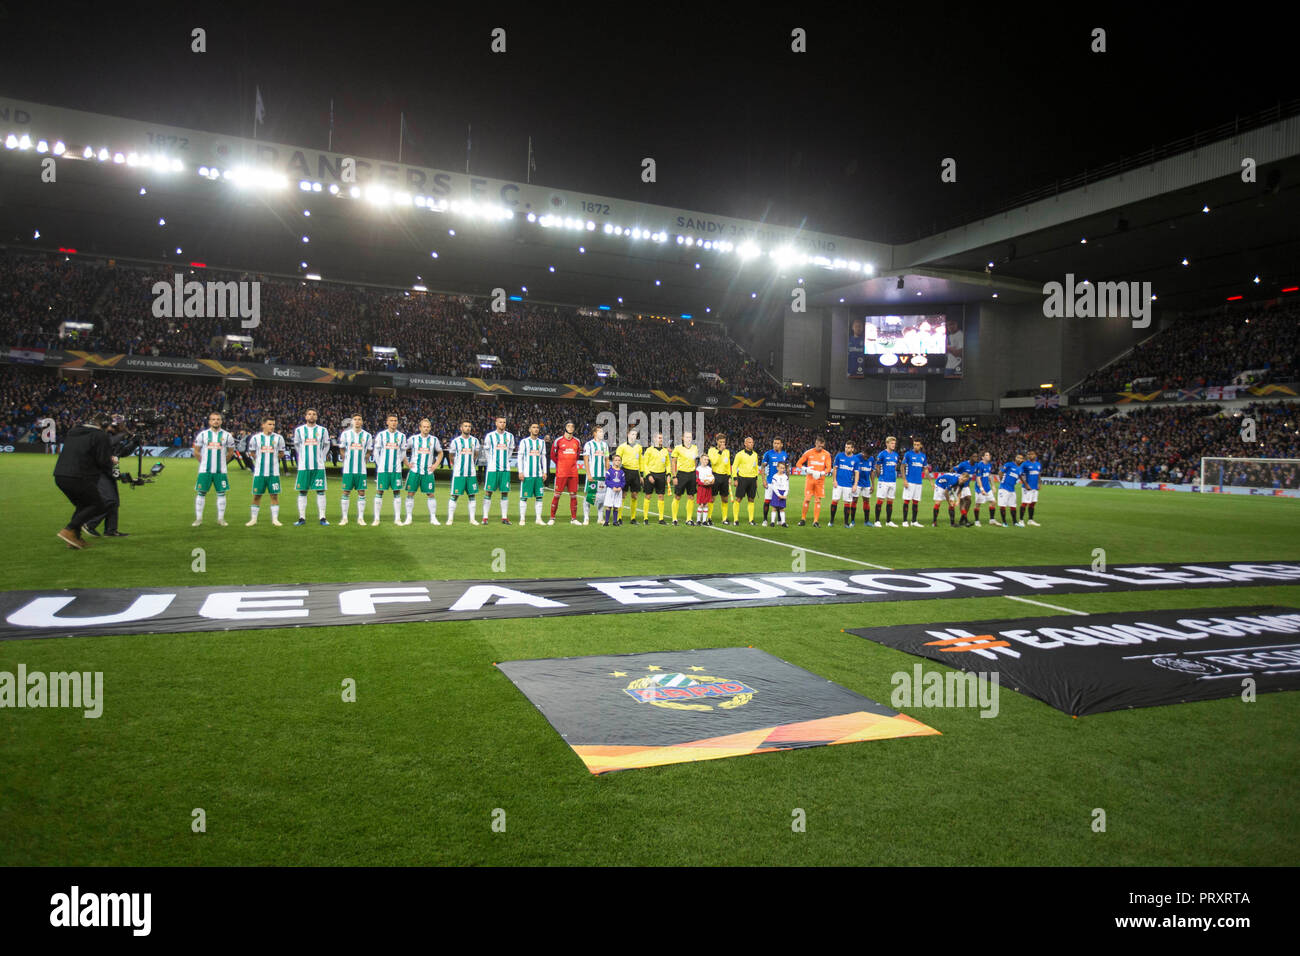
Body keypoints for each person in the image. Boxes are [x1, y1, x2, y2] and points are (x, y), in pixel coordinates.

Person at [52, 414, 115, 549]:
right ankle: (69, 530)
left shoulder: (74, 431)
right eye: (109, 426)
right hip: (80, 476)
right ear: (103, 424)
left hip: (61, 475)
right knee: (98, 505)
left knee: (83, 506)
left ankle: (75, 539)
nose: (110, 429)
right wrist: (112, 462)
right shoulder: (100, 436)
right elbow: (102, 460)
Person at [192, 412, 236, 527]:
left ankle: (221, 519)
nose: (216, 421)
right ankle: (199, 519)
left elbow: (231, 452)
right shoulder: (203, 435)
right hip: (205, 470)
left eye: (218, 419)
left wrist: (222, 463)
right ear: (209, 421)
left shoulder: (227, 436)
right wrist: (203, 462)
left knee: (221, 493)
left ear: (221, 421)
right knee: (201, 493)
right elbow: (196, 451)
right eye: (213, 419)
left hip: (220, 471)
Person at [292, 409, 330, 526]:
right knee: (303, 491)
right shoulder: (299, 430)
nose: (311, 416)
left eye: (314, 414)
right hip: (304, 466)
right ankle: (301, 517)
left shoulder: (322, 430)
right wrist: (302, 457)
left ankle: (322, 517)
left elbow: (327, 445)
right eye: (309, 414)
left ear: (317, 417)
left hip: (318, 466)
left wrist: (321, 457)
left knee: (320, 491)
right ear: (305, 416)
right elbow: (297, 445)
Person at [245, 416, 286, 526]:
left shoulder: (279, 438)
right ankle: (253, 519)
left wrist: (272, 460)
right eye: (269, 424)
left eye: (273, 424)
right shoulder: (256, 438)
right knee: (257, 495)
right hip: (259, 473)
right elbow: (252, 453)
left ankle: (275, 519)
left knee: (274, 496)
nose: (272, 426)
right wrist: (259, 460)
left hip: (274, 473)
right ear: (263, 425)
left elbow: (281, 453)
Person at [403, 418, 444, 525]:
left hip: (428, 472)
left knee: (430, 494)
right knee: (410, 493)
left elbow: (440, 453)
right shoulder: (413, 439)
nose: (426, 429)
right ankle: (409, 517)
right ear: (420, 428)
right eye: (424, 427)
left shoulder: (434, 440)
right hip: (415, 471)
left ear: (430, 428)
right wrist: (407, 464)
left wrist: (435, 465)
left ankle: (433, 518)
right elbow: (403, 450)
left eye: (428, 427)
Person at [370, 414, 406, 525]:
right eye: (391, 420)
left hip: (396, 470)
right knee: (379, 492)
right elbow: (376, 451)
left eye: (395, 420)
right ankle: (376, 519)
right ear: (387, 422)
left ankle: (397, 519)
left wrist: (398, 462)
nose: (394, 422)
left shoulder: (401, 436)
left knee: (397, 492)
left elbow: (403, 451)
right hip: (383, 469)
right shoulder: (381, 435)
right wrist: (380, 463)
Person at [337, 413, 373, 526]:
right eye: (355, 419)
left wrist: (365, 459)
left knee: (361, 492)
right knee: (346, 492)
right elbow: (342, 449)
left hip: (361, 470)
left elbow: (369, 450)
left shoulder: (367, 436)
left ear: (362, 422)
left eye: (359, 419)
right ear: (352, 422)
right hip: (348, 469)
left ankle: (361, 518)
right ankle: (344, 518)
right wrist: (345, 459)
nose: (357, 421)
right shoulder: (345, 434)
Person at [446, 420, 482, 525]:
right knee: (454, 495)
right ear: (461, 428)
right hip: (459, 473)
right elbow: (451, 456)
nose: (468, 428)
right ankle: (450, 519)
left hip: (471, 473)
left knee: (472, 496)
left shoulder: (475, 441)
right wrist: (455, 464)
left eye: (469, 426)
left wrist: (471, 463)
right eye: (465, 426)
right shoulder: (455, 441)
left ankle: (472, 519)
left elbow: (475, 454)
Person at [482, 416, 516, 525]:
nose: (502, 424)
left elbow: (510, 450)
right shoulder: (490, 436)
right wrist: (491, 461)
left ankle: (504, 518)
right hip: (492, 469)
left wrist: (505, 460)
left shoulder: (510, 436)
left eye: (504, 422)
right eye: (500, 422)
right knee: (489, 492)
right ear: (496, 423)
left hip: (505, 469)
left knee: (505, 492)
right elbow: (486, 451)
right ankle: (485, 518)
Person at [548, 420, 582, 525]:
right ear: (565, 427)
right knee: (557, 495)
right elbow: (553, 456)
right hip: (561, 473)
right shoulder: (558, 441)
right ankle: (552, 518)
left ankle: (574, 519)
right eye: (568, 426)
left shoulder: (577, 441)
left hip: (573, 473)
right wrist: (561, 464)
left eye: (572, 426)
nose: (571, 428)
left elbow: (577, 455)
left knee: (573, 496)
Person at [794, 436, 832, 527]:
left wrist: (822, 473)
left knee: (818, 500)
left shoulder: (826, 454)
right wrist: (806, 469)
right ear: (816, 443)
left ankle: (815, 521)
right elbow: (798, 463)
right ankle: (803, 519)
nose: (821, 448)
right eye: (819, 446)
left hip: (820, 480)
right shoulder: (809, 452)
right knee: (807, 499)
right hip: (810, 480)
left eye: (822, 446)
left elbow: (829, 468)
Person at [514, 423, 547, 525]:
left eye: (537, 428)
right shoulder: (524, 442)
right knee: (524, 497)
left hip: (538, 475)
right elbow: (520, 457)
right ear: (529, 429)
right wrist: (520, 471)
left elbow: (543, 458)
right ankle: (522, 519)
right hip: (527, 475)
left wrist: (545, 471)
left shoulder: (541, 442)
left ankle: (538, 519)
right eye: (533, 427)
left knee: (539, 497)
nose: (536, 429)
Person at [829, 441, 863, 528]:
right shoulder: (839, 456)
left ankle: (846, 523)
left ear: (852, 449)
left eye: (848, 447)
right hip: (838, 483)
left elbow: (856, 473)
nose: (846, 449)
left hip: (848, 485)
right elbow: (835, 469)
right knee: (835, 501)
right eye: (846, 447)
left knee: (847, 503)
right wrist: (834, 480)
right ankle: (831, 521)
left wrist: (855, 484)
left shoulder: (856, 459)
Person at [581, 426, 609, 526]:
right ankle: (586, 518)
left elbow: (606, 459)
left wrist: (607, 473)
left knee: (602, 497)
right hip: (592, 475)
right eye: (600, 432)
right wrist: (588, 474)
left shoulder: (605, 445)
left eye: (602, 432)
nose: (602, 433)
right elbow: (586, 460)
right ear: (594, 433)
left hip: (602, 476)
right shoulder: (589, 444)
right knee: (589, 497)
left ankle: (600, 518)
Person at [670, 430, 699, 526]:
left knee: (691, 496)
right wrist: (674, 476)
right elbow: (673, 463)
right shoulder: (678, 448)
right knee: (677, 496)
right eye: (686, 437)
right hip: (681, 474)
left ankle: (689, 519)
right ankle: (674, 518)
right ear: (683, 438)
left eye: (690, 437)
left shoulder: (695, 448)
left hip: (691, 474)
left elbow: (695, 461)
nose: (688, 439)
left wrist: (695, 473)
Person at [640, 432, 670, 525]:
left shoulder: (665, 451)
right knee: (648, 496)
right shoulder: (649, 450)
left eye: (661, 438)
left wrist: (668, 474)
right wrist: (648, 475)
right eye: (659, 438)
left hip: (661, 475)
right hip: (651, 474)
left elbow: (668, 464)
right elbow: (645, 464)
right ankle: (645, 518)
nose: (660, 439)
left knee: (661, 496)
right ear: (654, 439)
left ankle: (661, 519)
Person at [615, 429, 643, 524]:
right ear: (628, 435)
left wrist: (641, 475)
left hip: (635, 473)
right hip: (625, 471)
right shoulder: (622, 447)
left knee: (634, 495)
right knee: (622, 495)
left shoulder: (639, 447)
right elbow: (617, 460)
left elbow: (640, 461)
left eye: (635, 434)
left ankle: (633, 518)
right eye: (632, 434)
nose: (633, 436)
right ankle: (619, 518)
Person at [731, 436, 760, 526]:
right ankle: (736, 519)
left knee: (751, 499)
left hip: (752, 480)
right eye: (750, 442)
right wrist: (735, 479)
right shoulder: (739, 454)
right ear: (745, 444)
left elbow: (756, 468)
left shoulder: (755, 454)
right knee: (738, 499)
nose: (752, 444)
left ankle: (751, 520)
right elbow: (734, 467)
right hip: (742, 479)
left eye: (752, 442)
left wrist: (756, 479)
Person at [761, 438, 788, 526]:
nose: (776, 445)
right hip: (770, 482)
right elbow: (763, 467)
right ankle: (765, 520)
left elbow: (787, 468)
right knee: (767, 501)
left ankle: (780, 521)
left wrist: (787, 479)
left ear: (781, 445)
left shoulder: (784, 454)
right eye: (774, 443)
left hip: (781, 483)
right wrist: (763, 480)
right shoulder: (768, 454)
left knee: (780, 501)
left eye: (778, 443)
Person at [873, 436, 900, 526]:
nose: (893, 445)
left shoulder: (896, 455)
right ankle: (877, 521)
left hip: (892, 481)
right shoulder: (882, 454)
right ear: (887, 444)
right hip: (883, 481)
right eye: (892, 443)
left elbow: (895, 466)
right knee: (880, 500)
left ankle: (888, 521)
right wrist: (880, 476)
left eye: (894, 443)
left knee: (890, 501)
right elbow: (877, 466)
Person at [994, 453, 1026, 527]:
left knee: (1013, 506)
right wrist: (1002, 481)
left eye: (1020, 458)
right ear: (1015, 458)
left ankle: (1015, 522)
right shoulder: (1009, 464)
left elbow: (1020, 477)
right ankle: (1004, 522)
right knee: (1003, 506)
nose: (1019, 459)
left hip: (1012, 489)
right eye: (1018, 457)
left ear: (1022, 460)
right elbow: (1000, 472)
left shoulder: (1020, 468)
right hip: (1004, 489)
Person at [901, 438, 927, 527]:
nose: (916, 446)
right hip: (910, 481)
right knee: (906, 501)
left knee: (916, 502)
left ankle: (914, 521)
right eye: (914, 444)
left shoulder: (923, 456)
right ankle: (904, 521)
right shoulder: (908, 454)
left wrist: (931, 481)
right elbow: (902, 467)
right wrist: (904, 480)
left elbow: (925, 468)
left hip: (918, 482)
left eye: (917, 445)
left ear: (921, 446)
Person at [707, 433, 731, 525]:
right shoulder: (711, 450)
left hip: (724, 477)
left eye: (724, 442)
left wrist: (729, 476)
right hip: (715, 475)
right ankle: (709, 517)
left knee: (725, 499)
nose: (722, 444)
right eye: (720, 442)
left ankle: (724, 518)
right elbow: (714, 462)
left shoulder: (727, 452)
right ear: (717, 441)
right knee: (712, 498)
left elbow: (728, 465)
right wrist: (720, 452)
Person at [1020, 450, 1042, 525]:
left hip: (1035, 487)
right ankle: (1021, 520)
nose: (1030, 456)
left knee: (1033, 503)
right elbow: (1021, 475)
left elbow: (1038, 474)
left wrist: (1039, 483)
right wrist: (1026, 484)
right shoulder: (1025, 464)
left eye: (1032, 454)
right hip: (1027, 487)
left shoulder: (1038, 464)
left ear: (1035, 455)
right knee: (1025, 503)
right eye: (1029, 454)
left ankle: (1030, 520)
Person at [603, 454, 626, 526]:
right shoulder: (609, 471)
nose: (617, 462)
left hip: (619, 491)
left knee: (616, 506)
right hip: (611, 490)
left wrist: (620, 487)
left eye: (619, 460)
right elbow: (607, 481)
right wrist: (613, 487)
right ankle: (606, 521)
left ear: (621, 462)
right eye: (616, 460)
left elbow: (623, 482)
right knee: (609, 506)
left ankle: (615, 521)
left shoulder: (622, 472)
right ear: (612, 461)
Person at [694, 455, 715, 526]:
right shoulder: (698, 469)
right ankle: (698, 520)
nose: (706, 461)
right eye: (705, 459)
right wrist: (703, 483)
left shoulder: (709, 469)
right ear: (701, 460)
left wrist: (712, 482)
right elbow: (697, 480)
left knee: (706, 504)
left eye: (707, 460)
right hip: (701, 488)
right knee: (701, 504)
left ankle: (704, 521)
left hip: (708, 488)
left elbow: (711, 478)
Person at [768, 462, 790, 526]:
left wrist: (785, 495)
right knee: (774, 507)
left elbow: (787, 487)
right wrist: (779, 495)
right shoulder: (775, 476)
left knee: (782, 508)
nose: (782, 469)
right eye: (781, 468)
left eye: (783, 468)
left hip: (783, 493)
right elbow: (774, 487)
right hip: (776, 493)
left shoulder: (785, 477)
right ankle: (772, 522)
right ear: (777, 468)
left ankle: (783, 522)